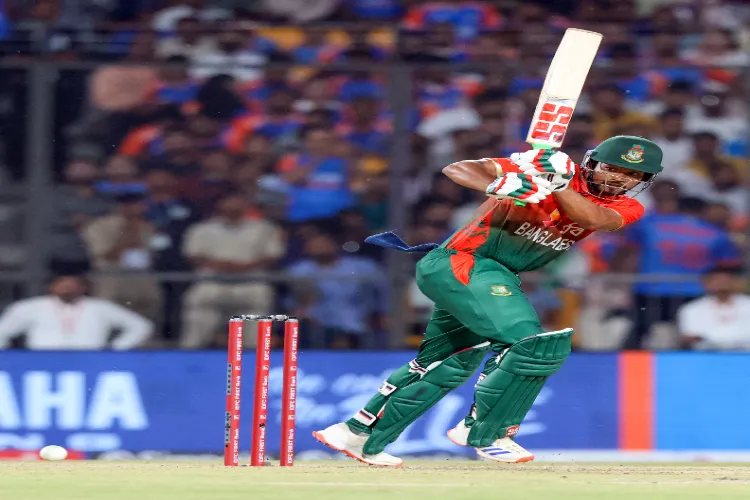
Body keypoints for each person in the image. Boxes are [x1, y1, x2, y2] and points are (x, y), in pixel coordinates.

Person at [313, 136, 663, 466]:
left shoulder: (623, 205)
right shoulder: (541, 167)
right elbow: (457, 169)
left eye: (634, 175)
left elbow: (594, 218)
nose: (621, 179)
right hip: (465, 262)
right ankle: (485, 432)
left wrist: (556, 186)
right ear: (592, 163)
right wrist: (501, 182)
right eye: (613, 168)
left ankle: (356, 434)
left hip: (492, 275)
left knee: (447, 364)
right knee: (532, 344)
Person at [0, 275, 153, 350]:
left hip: (89, 360)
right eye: (62, 284)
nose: (67, 288)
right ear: (52, 287)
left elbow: (140, 325)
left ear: (83, 288)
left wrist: (116, 349)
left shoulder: (100, 308)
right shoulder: (30, 307)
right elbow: (2, 331)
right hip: (42, 361)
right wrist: (10, 357)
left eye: (72, 285)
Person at [677, 265, 750, 351]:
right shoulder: (691, 309)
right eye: (717, 281)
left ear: (734, 282)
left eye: (726, 280)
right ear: (706, 284)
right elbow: (692, 336)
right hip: (707, 356)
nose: (722, 284)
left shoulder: (747, 304)